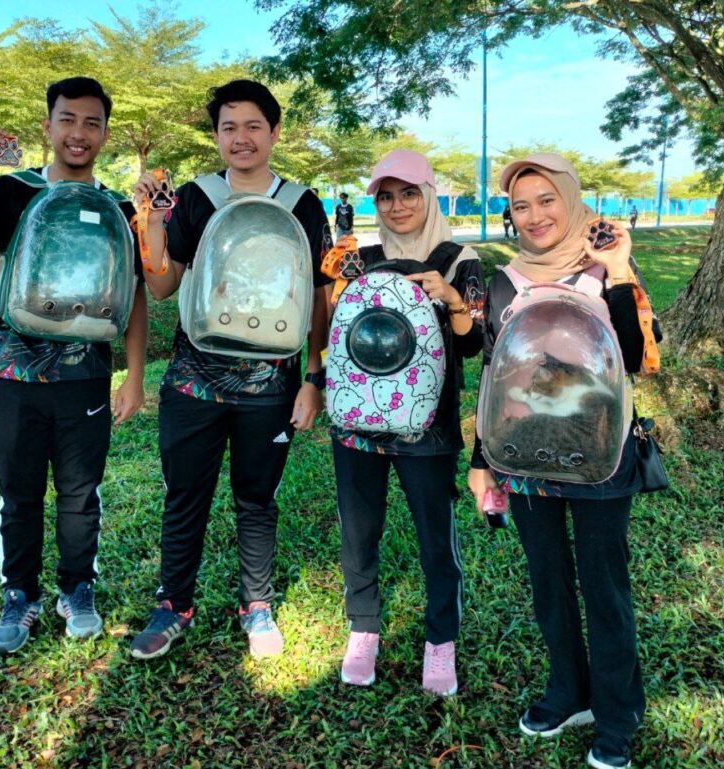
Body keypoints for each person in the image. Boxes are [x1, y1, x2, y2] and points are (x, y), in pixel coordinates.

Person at [0, 77, 148, 655]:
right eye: (67, 120)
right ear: (48, 126)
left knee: (80, 492)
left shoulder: (118, 208)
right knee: (18, 491)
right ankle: (19, 595)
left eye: (92, 123)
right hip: (14, 375)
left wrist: (134, 376)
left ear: (105, 134)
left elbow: (135, 292)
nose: (79, 133)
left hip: (86, 377)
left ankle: (77, 590)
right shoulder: (12, 191)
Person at [128, 79, 332, 660]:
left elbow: (319, 299)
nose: (241, 138)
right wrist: (152, 221)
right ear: (216, 135)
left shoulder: (302, 204)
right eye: (228, 127)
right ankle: (173, 604)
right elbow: (162, 287)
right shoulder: (195, 197)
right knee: (184, 495)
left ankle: (256, 604)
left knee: (256, 499)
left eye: (253, 126)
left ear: (274, 132)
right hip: (193, 380)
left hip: (271, 386)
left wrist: (312, 378)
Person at [467, 154, 649, 769]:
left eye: (546, 200)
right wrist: (482, 458)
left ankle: (617, 715)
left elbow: (635, 356)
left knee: (604, 586)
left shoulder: (607, 266)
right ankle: (569, 692)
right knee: (547, 580)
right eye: (520, 206)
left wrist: (619, 271)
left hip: (600, 452)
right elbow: (493, 374)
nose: (534, 215)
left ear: (570, 201)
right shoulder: (504, 281)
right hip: (522, 453)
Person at [329, 149, 485, 695]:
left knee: (434, 536)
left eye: (409, 194)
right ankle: (363, 628)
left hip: (429, 426)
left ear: (429, 196)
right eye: (386, 197)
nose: (397, 206)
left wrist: (452, 300)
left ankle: (440, 640)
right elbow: (335, 327)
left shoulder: (459, 259)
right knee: (358, 532)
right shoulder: (359, 256)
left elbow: (474, 343)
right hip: (357, 418)